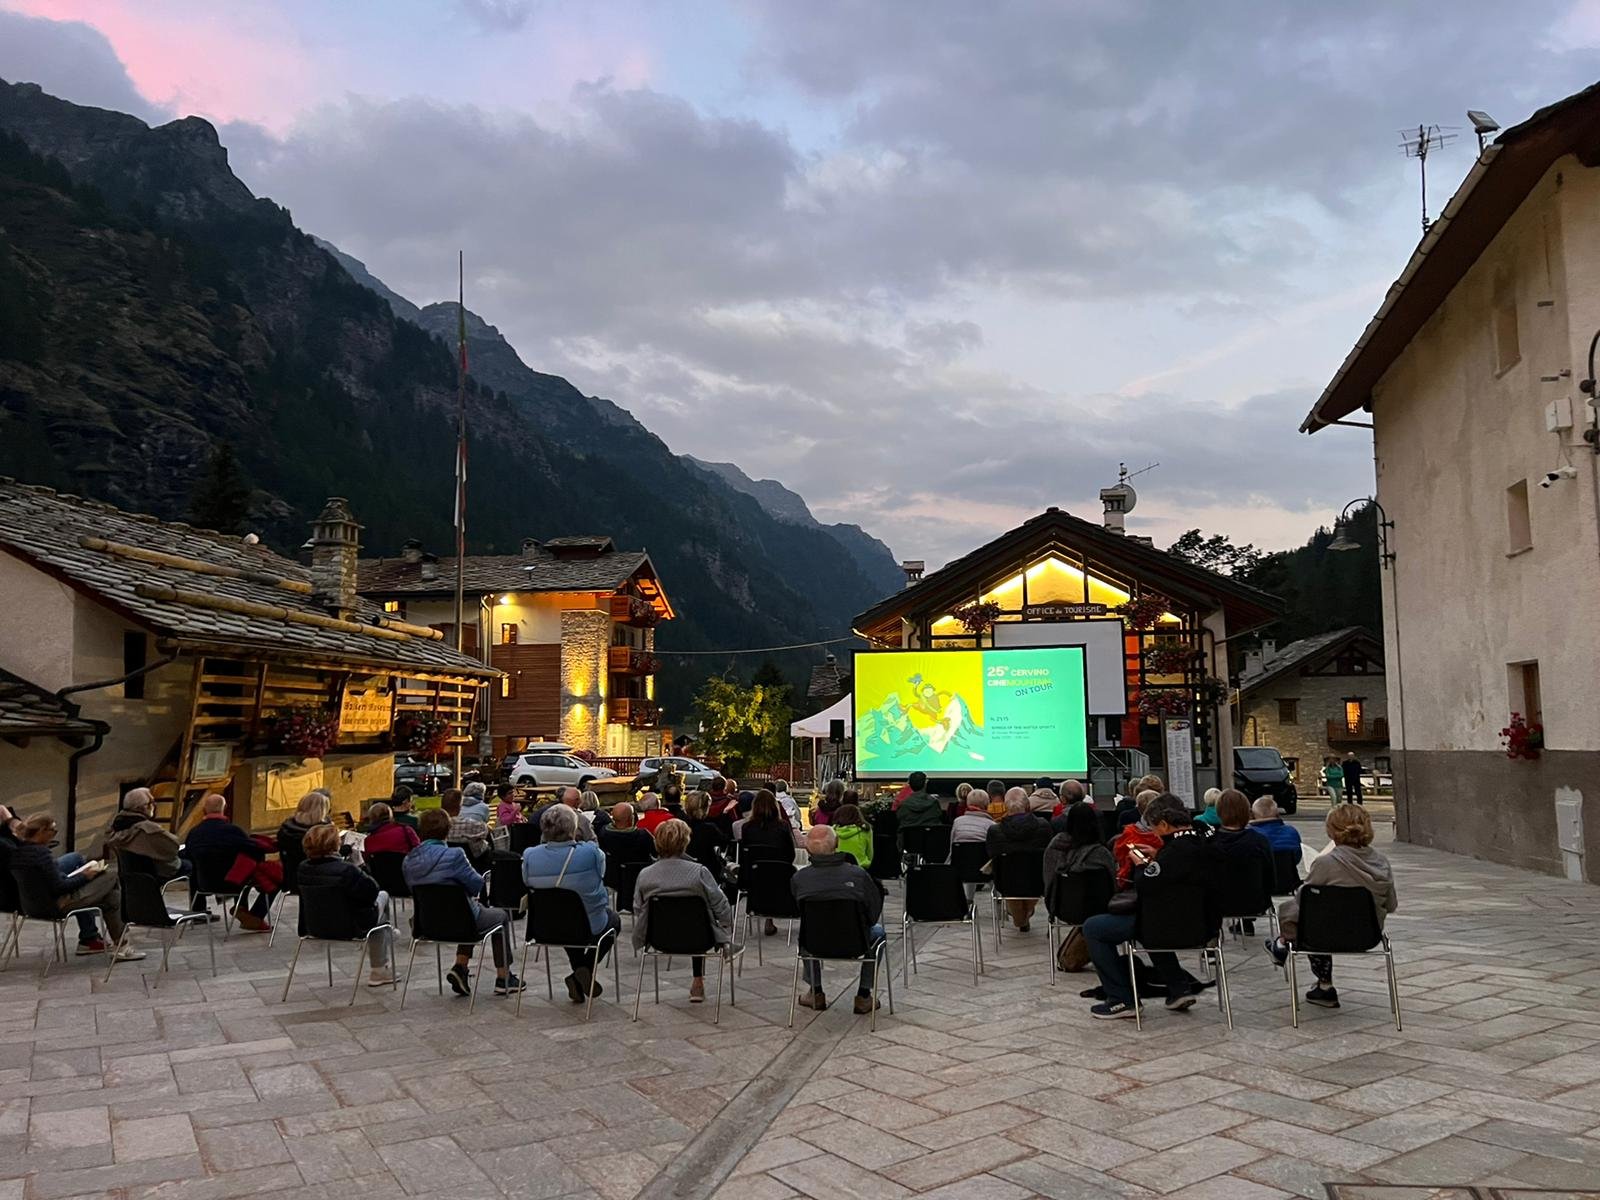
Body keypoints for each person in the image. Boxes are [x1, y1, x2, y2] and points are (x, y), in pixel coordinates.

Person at [1081, 794, 1219, 1019]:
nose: (1154, 833)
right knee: (1149, 924)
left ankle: (1121, 999)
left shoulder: (1175, 852)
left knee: (1094, 928)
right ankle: (1178, 987)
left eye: (1155, 828)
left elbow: (1148, 884)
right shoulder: (1205, 840)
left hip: (1168, 925)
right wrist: (1158, 856)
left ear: (1164, 824)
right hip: (1205, 925)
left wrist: (1141, 866)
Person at [1266, 803, 1397, 1010]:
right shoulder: (1381, 862)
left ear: (1332, 830)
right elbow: (1391, 905)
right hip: (1366, 934)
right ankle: (1291, 954)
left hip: (1322, 935)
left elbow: (1304, 901)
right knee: (1317, 915)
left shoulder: (1326, 863)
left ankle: (1322, 982)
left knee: (1303, 914)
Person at [403, 809, 523, 996]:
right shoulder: (454, 855)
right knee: (499, 917)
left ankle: (461, 967)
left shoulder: (408, 860)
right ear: (447, 831)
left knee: (469, 910)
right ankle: (504, 977)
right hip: (461, 920)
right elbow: (476, 884)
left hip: (427, 923)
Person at [11, 814, 145, 961]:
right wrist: (85, 876)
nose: (54, 835)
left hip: (32, 906)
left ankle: (119, 943)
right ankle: (120, 943)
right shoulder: (41, 854)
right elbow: (60, 887)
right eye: (53, 831)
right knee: (111, 878)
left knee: (110, 898)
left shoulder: (20, 851)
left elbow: (51, 881)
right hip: (56, 905)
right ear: (42, 831)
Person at [522, 804, 620, 1002]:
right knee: (614, 921)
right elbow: (601, 872)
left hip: (545, 926)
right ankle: (584, 968)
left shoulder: (530, 855)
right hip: (585, 924)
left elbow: (526, 880)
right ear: (572, 829)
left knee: (565, 916)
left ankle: (578, 973)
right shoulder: (590, 853)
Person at [633, 818, 735, 1003]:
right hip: (700, 937)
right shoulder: (699, 872)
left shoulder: (645, 875)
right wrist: (727, 928)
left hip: (659, 937)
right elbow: (721, 905)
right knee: (701, 916)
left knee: (695, 915)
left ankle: (697, 981)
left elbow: (639, 909)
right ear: (685, 842)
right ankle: (698, 982)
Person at [791, 825, 885, 1014]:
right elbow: (873, 913)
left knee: (805, 933)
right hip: (856, 942)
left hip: (815, 942)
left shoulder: (800, 879)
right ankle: (864, 995)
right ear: (837, 844)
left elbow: (798, 909)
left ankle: (816, 992)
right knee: (878, 933)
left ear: (807, 849)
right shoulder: (858, 875)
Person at [298, 822, 394, 986]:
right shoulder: (347, 870)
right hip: (351, 927)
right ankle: (380, 966)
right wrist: (360, 865)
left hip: (314, 926)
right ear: (335, 844)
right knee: (382, 895)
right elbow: (371, 892)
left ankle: (386, 934)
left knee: (374, 912)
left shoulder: (302, 868)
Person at [185, 793, 282, 930]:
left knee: (198, 865)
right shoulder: (232, 831)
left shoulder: (194, 833)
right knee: (263, 876)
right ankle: (249, 912)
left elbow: (188, 855)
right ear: (224, 809)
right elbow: (254, 850)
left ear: (204, 810)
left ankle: (200, 911)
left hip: (203, 884)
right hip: (231, 883)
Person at [985, 788, 1053, 932]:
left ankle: (1021, 918)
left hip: (1006, 883)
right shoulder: (1044, 826)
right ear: (1028, 806)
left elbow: (992, 855)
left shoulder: (994, 831)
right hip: (1037, 882)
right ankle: (1024, 916)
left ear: (1005, 806)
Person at [1212, 788, 1275, 934]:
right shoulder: (1259, 841)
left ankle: (1211, 940)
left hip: (1218, 904)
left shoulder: (1210, 842)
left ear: (1219, 812)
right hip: (1255, 903)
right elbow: (1270, 878)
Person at [1043, 801, 1116, 912]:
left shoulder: (1055, 847)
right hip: (1099, 909)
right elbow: (1112, 884)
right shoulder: (1102, 854)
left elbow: (1048, 880)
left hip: (1060, 907)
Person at [278, 791, 332, 890]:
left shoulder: (287, 828)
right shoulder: (319, 833)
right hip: (317, 881)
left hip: (291, 878)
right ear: (321, 810)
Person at [1111, 790, 1165, 890]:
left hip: (1130, 883)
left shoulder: (1128, 834)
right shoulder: (1165, 835)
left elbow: (1119, 855)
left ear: (1138, 809)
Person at [681, 791, 731, 883]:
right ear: (705, 808)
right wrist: (725, 815)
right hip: (707, 871)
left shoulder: (680, 826)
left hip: (683, 871)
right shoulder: (709, 829)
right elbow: (725, 841)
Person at [736, 791, 797, 864]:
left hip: (754, 871)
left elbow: (744, 855)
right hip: (778, 870)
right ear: (775, 806)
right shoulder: (783, 826)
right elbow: (791, 854)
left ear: (754, 806)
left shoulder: (747, 827)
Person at [598, 802, 657, 867]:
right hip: (640, 872)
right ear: (631, 818)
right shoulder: (643, 835)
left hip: (612, 874)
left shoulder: (603, 834)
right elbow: (656, 853)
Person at [440, 788, 490, 861]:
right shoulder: (472, 825)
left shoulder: (435, 826)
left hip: (445, 861)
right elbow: (485, 831)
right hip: (473, 862)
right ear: (460, 806)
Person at [895, 771, 944, 843]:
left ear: (910, 785)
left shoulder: (903, 805)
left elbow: (900, 822)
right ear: (925, 784)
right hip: (930, 844)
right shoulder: (934, 804)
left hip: (909, 845)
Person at [831, 801, 873, 869]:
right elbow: (870, 852)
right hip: (860, 866)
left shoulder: (832, 831)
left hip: (836, 866)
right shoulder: (865, 830)